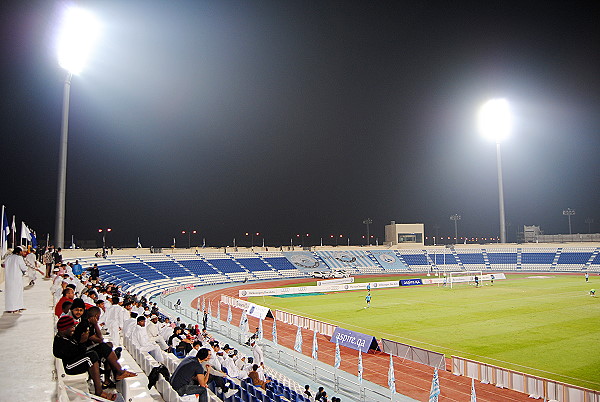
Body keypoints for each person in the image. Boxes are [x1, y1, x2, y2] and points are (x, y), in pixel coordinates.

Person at [53, 315, 136, 401]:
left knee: (103, 347)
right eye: (71, 327)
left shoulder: (67, 336)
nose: (73, 329)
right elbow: (76, 353)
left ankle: (119, 372)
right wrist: (82, 342)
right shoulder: (60, 343)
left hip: (76, 358)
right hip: (70, 366)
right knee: (91, 356)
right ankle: (99, 392)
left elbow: (80, 348)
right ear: (63, 329)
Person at [3, 246, 28, 313]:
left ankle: (16, 307)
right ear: (19, 252)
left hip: (9, 278)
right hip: (16, 278)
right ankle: (15, 307)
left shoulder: (8, 257)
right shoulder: (19, 258)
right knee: (16, 293)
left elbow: (3, 265)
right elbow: (23, 268)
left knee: (10, 293)